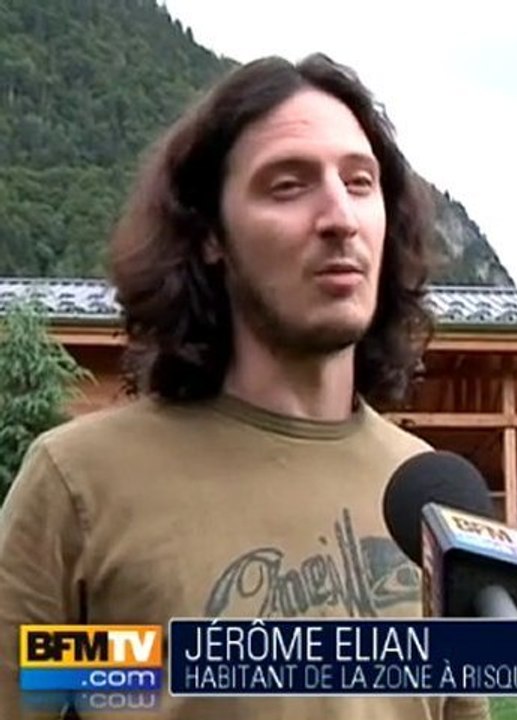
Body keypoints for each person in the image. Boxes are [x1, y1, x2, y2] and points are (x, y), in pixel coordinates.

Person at [0, 52, 488, 720]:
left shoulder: (428, 498)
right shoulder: (79, 484)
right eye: (288, 186)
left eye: (360, 182)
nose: (340, 217)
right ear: (210, 235)